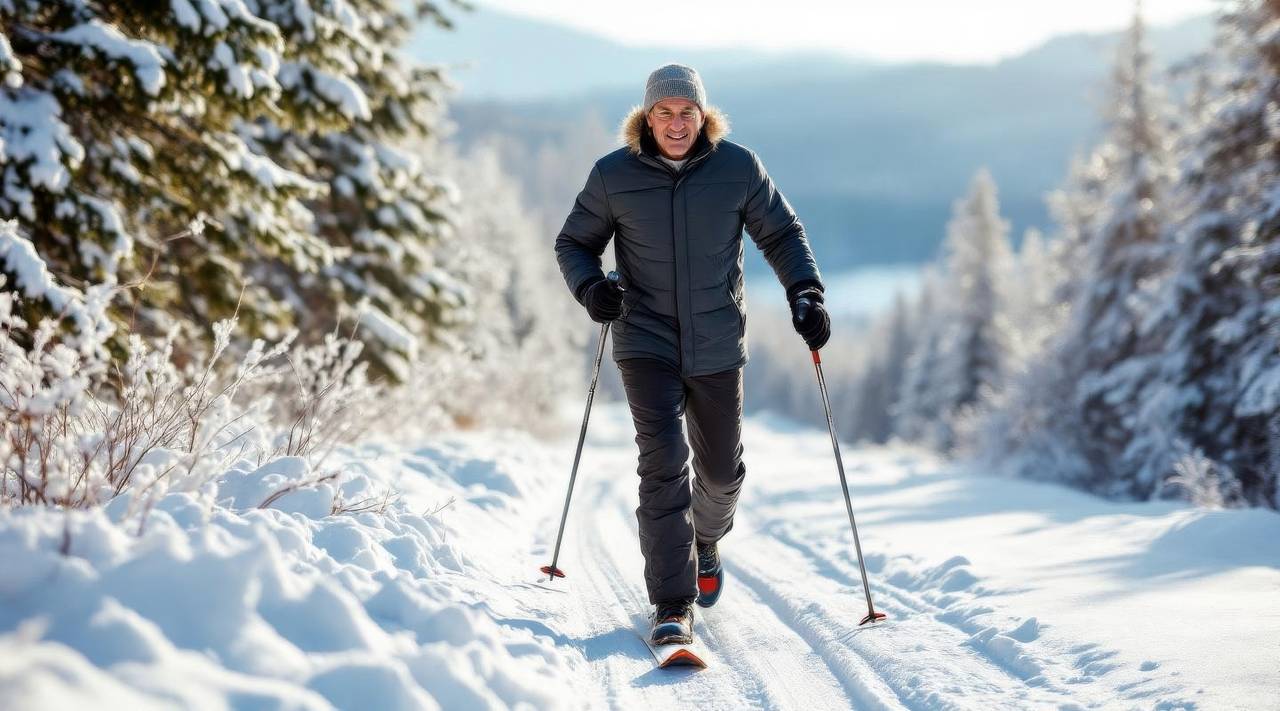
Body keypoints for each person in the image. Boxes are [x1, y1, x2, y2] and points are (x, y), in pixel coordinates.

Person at [554, 63, 830, 646]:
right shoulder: (613, 175)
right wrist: (591, 288)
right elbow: (574, 242)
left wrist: (806, 292)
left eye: (687, 112)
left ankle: (706, 540)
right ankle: (672, 605)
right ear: (646, 116)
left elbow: (782, 234)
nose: (676, 123)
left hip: (717, 342)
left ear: (703, 116)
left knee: (722, 474)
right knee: (662, 466)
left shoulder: (738, 168)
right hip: (644, 340)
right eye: (665, 112)